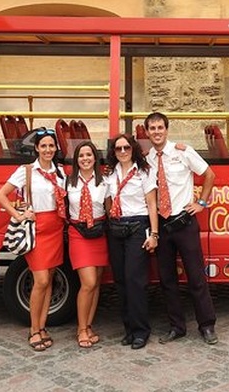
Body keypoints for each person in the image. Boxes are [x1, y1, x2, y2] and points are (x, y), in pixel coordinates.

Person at [144, 112, 218, 345]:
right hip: (162, 225)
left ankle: (207, 325)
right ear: (147, 132)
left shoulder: (183, 151)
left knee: (196, 277)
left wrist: (202, 203)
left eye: (160, 128)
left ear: (167, 130)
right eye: (152, 128)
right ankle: (177, 326)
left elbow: (209, 174)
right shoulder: (147, 159)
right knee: (167, 280)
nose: (156, 132)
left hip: (184, 223)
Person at [0, 127, 66, 352]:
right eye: (43, 145)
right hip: (36, 230)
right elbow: (1, 195)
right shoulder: (26, 171)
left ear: (56, 148)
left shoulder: (60, 172)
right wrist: (18, 214)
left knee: (50, 281)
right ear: (36, 148)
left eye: (51, 146)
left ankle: (42, 326)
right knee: (41, 281)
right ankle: (33, 329)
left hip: (56, 229)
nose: (47, 149)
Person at [104, 133, 159, 350]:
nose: (123, 152)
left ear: (133, 149)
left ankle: (140, 331)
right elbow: (108, 203)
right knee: (121, 281)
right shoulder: (110, 174)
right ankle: (128, 329)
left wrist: (154, 234)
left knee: (135, 280)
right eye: (118, 149)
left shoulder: (144, 172)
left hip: (138, 226)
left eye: (127, 147)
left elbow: (152, 204)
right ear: (114, 152)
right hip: (116, 227)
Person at [65, 141, 109, 349]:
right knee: (88, 282)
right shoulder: (68, 182)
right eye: (81, 155)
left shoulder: (105, 182)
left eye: (89, 155)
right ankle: (81, 329)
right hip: (78, 233)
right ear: (76, 160)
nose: (85, 159)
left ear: (95, 157)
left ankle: (89, 325)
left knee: (97, 282)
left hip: (99, 233)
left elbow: (110, 210)